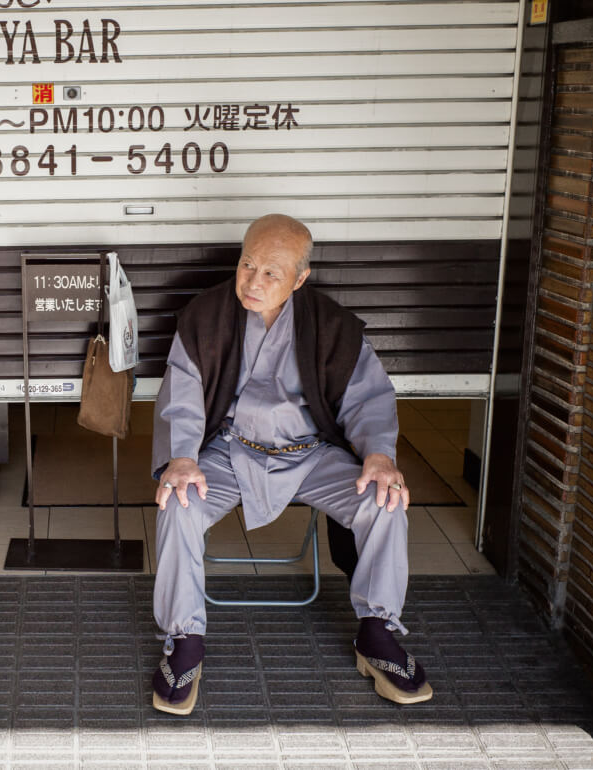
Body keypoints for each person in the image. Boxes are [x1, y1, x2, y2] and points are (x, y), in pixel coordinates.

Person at [150, 213, 432, 715]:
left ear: (300, 279)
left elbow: (367, 397)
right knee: (179, 503)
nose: (252, 282)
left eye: (270, 274)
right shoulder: (205, 316)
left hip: (309, 454)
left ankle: (378, 632)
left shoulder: (331, 325)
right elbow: (184, 394)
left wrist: (380, 456)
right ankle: (184, 639)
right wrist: (182, 458)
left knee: (385, 503)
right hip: (230, 451)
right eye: (246, 265)